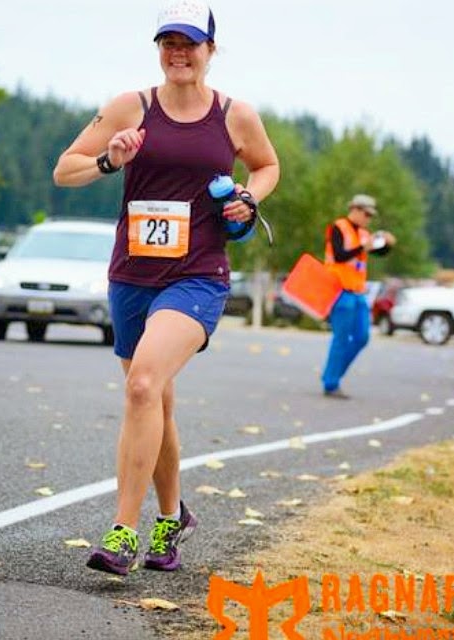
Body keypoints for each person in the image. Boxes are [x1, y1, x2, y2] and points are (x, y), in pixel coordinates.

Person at [53, 0, 279, 576]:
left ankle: (122, 532)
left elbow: (267, 166)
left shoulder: (234, 114)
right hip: (132, 275)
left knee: (141, 385)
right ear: (158, 49)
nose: (179, 53)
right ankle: (172, 516)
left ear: (210, 49)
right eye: (168, 43)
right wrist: (110, 160)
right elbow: (65, 168)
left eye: (190, 43)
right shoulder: (131, 106)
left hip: (197, 274)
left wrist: (248, 197)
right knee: (156, 400)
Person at [321, 194, 396, 399]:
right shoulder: (338, 227)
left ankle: (331, 373)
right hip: (340, 291)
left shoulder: (364, 233)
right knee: (341, 338)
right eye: (366, 214)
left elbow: (379, 252)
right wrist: (363, 247)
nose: (368, 219)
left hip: (358, 291)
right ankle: (331, 383)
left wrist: (388, 244)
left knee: (362, 337)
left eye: (371, 216)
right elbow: (339, 255)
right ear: (354, 209)